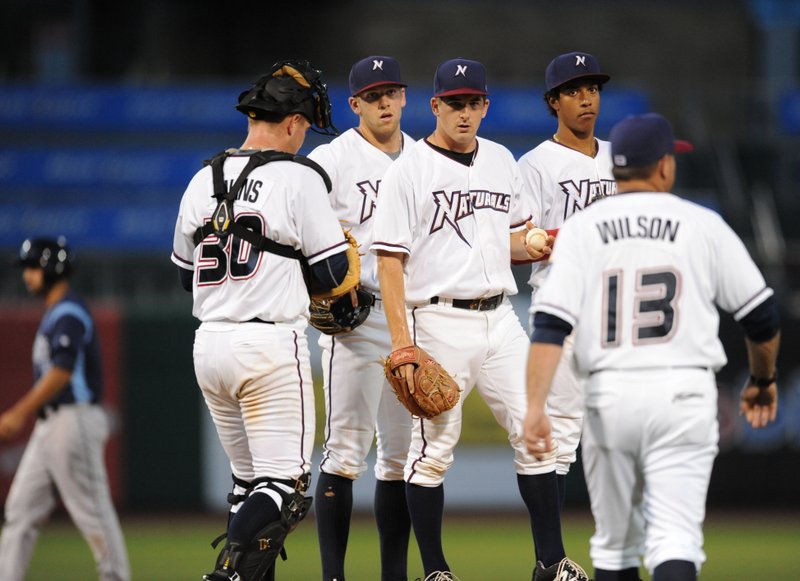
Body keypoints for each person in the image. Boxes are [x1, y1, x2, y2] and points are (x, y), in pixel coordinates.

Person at [524, 113, 781, 581]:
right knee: (675, 538)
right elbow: (762, 319)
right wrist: (763, 380)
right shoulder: (701, 223)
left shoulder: (582, 231)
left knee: (614, 545)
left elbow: (549, 327)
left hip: (608, 397)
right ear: (664, 166)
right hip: (682, 393)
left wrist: (536, 405)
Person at [371, 58, 589, 581]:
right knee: (433, 452)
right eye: (454, 103)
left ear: (486, 106)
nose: (464, 112)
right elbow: (388, 261)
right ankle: (436, 571)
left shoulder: (500, 160)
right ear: (435, 106)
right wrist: (403, 343)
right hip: (438, 319)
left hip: (501, 318)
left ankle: (550, 562)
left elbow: (512, 238)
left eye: (473, 103)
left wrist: (530, 242)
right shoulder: (410, 170)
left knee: (539, 436)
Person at [170, 59, 351, 581]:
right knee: (287, 490)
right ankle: (226, 575)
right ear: (293, 123)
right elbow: (333, 271)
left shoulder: (201, 178)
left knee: (248, 486)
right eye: (305, 128)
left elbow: (187, 276)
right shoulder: (298, 178)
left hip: (210, 346)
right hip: (269, 347)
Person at [308, 55, 414, 581]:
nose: (384, 103)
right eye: (373, 96)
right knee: (345, 452)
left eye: (391, 92)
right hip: (355, 316)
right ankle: (333, 576)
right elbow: (302, 230)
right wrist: (320, 289)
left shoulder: (423, 158)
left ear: (405, 97)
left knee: (399, 456)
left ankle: (393, 574)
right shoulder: (331, 159)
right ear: (355, 105)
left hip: (413, 317)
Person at [516, 51, 616, 507]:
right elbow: (516, 242)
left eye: (592, 89)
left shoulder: (619, 158)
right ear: (553, 101)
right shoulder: (535, 165)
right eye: (573, 91)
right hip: (562, 310)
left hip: (616, 310)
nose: (586, 99)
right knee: (558, 440)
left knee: (622, 435)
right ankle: (551, 561)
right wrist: (563, 238)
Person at [0, 236, 131, 581]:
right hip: (51, 425)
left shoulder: (69, 310)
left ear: (50, 268)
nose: (27, 275)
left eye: (31, 267)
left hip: (74, 420)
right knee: (20, 511)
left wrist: (18, 413)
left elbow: (62, 369)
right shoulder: (57, 311)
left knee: (94, 513)